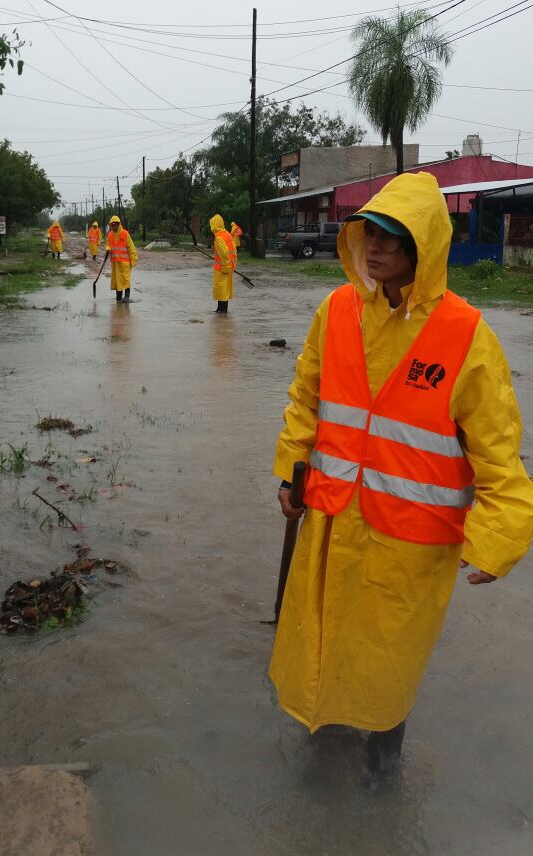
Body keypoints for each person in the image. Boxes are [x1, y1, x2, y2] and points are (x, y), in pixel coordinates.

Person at [269, 172, 533, 778]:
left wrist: (497, 540)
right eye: (370, 232)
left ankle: (382, 769)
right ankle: (324, 743)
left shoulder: (465, 335)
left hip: (410, 544)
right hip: (331, 520)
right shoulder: (337, 311)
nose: (376, 246)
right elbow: (306, 398)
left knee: (388, 659)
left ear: (424, 246)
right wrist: (290, 475)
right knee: (323, 634)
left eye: (393, 235)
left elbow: (499, 453)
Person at [105, 215, 138, 302]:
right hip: (115, 263)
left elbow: (131, 248)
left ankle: (126, 297)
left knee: (125, 279)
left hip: (124, 263)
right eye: (112, 224)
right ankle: (119, 298)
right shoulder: (110, 235)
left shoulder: (125, 234)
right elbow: (108, 244)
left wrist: (133, 261)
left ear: (118, 224)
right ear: (111, 225)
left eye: (116, 224)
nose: (114, 226)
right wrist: (108, 249)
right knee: (117, 281)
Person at [210, 214, 236, 314]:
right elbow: (234, 250)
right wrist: (233, 265)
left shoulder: (219, 238)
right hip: (229, 266)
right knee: (225, 289)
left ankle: (222, 309)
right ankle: (221, 309)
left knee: (221, 288)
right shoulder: (227, 234)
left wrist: (226, 267)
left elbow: (224, 254)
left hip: (222, 268)